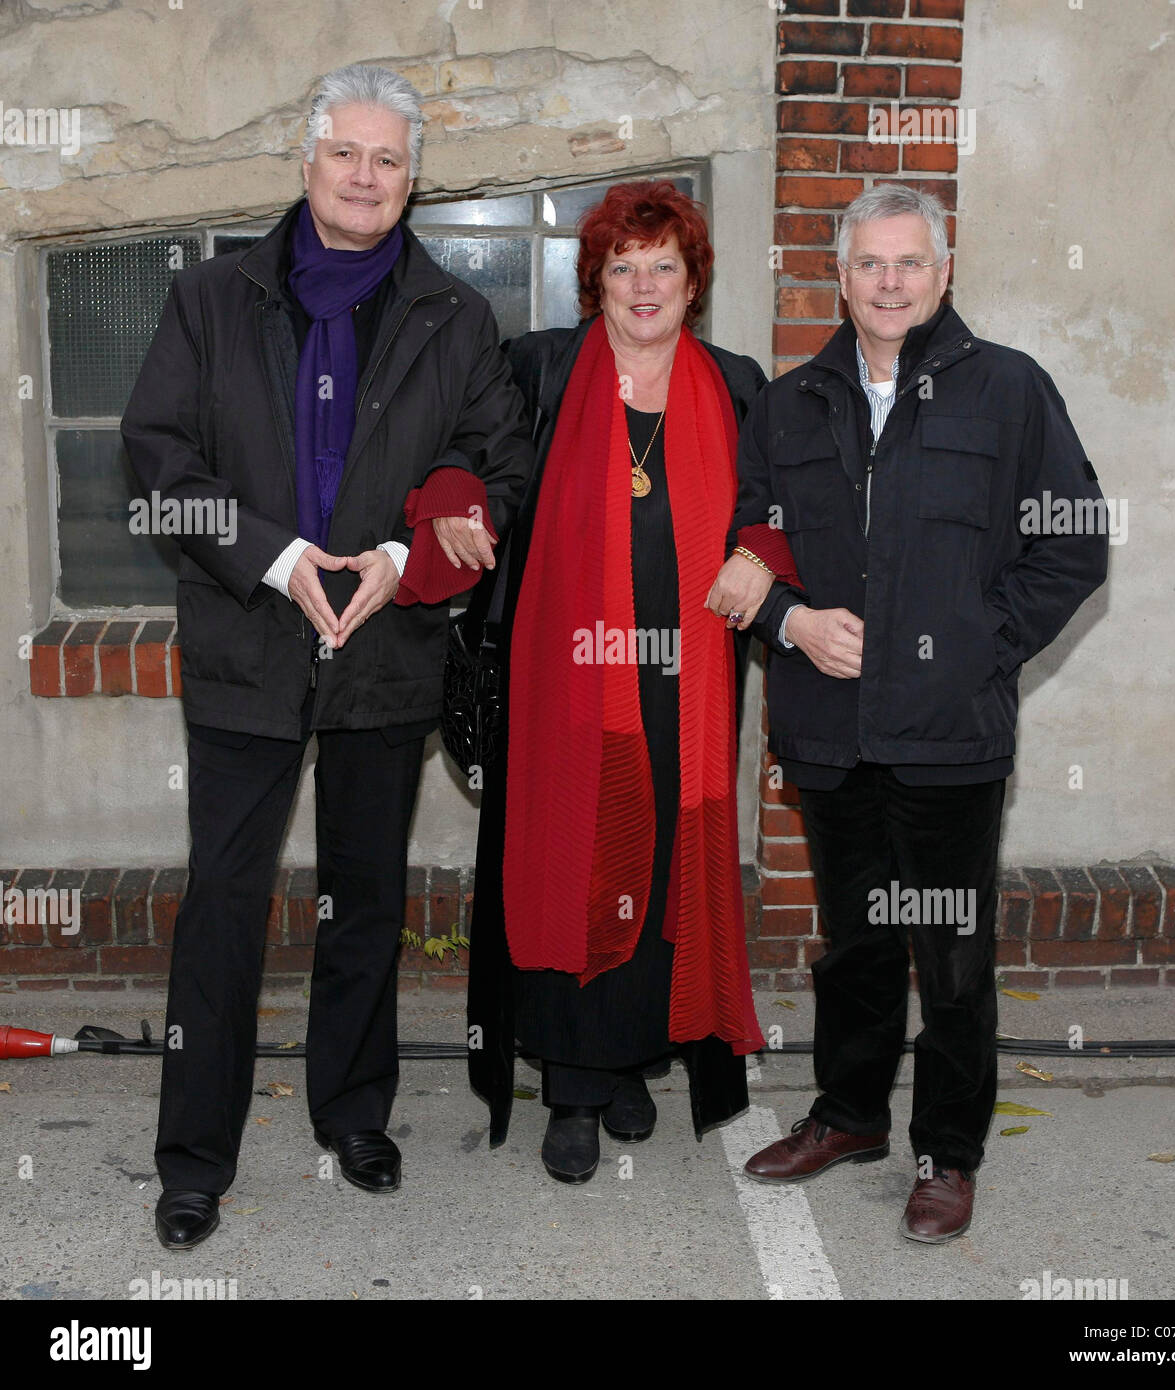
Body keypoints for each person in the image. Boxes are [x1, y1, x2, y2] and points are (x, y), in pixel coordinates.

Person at [120, 63, 531, 1249]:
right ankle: (194, 1155)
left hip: (385, 650)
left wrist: (408, 558)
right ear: (306, 162)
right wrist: (273, 556)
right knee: (223, 909)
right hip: (249, 639)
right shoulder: (208, 300)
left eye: (389, 160)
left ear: (414, 179)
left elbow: (499, 476)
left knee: (363, 902)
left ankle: (355, 1113)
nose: (365, 176)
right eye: (347, 153)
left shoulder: (456, 317)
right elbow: (155, 466)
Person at [734, 185, 1108, 1241]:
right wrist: (792, 620)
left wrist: (980, 649)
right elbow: (747, 538)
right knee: (853, 943)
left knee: (948, 956)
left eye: (910, 263)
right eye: (869, 264)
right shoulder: (792, 400)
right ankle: (850, 1114)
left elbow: (1073, 539)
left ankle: (948, 1150)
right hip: (830, 727)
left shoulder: (1009, 391)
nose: (889, 282)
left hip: (950, 738)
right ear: (838, 277)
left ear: (944, 273)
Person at [465, 180, 788, 1183]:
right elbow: (470, 456)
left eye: (664, 266)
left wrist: (763, 549)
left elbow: (789, 493)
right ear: (593, 280)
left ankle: (630, 1061)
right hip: (567, 681)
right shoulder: (541, 373)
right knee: (573, 857)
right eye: (622, 265)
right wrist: (451, 502)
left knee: (659, 869)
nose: (643, 285)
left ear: (694, 283)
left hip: (683, 681)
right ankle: (570, 1080)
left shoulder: (738, 387)